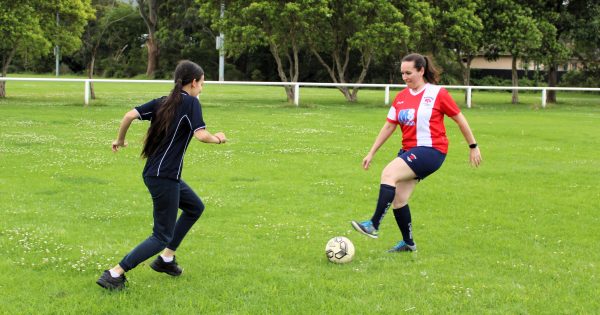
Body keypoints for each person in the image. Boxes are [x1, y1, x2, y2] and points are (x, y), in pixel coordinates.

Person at [96, 60, 227, 290]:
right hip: (164, 177)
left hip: (156, 174)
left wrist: (120, 140)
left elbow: (128, 115)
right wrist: (218, 138)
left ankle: (166, 260)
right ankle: (114, 274)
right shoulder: (191, 104)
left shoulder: (163, 102)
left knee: (195, 207)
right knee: (161, 235)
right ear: (193, 82)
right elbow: (201, 135)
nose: (202, 88)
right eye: (202, 84)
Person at [351, 53, 481, 252]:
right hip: (409, 151)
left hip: (432, 150)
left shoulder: (438, 93)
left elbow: (459, 119)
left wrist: (473, 146)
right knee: (399, 199)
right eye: (402, 73)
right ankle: (408, 243)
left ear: (421, 70)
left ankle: (373, 225)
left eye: (409, 72)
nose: (405, 77)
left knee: (389, 174)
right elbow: (388, 127)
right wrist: (372, 152)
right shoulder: (401, 97)